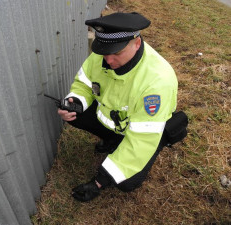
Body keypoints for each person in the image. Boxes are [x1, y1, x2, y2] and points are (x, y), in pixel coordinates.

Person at [57, 12, 187, 202]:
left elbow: (141, 140)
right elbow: (84, 83)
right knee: (77, 113)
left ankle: (146, 143)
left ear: (137, 43)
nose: (108, 60)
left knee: (126, 183)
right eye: (104, 52)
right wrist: (76, 101)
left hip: (145, 132)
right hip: (119, 121)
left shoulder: (157, 83)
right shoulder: (103, 55)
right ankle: (113, 141)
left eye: (117, 53)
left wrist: (99, 181)